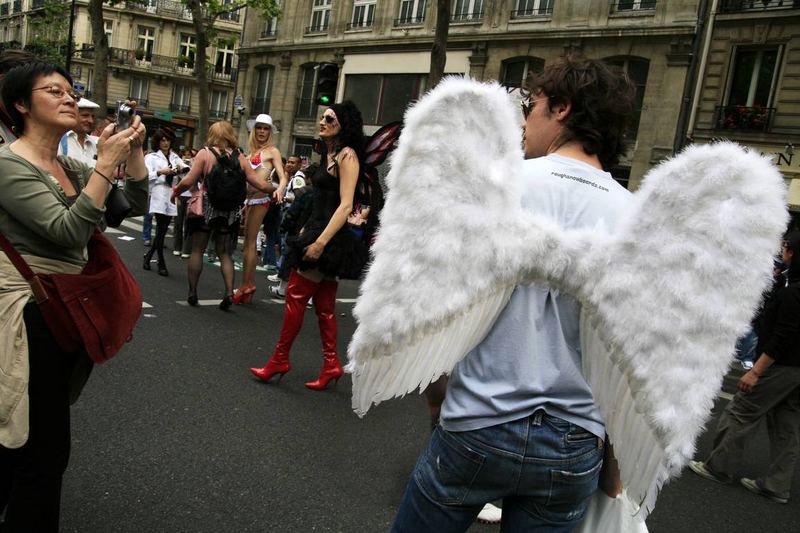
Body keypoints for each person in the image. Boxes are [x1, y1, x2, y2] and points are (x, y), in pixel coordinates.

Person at [391, 56, 636, 531]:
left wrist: (438, 391)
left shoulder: (497, 187)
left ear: (562, 109)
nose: (525, 120)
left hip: (480, 418)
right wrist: (616, 467)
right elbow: (636, 357)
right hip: (574, 439)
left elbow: (441, 300)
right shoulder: (634, 217)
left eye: (534, 105)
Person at [0, 60, 147, 532]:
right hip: (29, 315)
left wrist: (134, 156)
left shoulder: (65, 164)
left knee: (23, 441)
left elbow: (132, 207)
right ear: (22, 105)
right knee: (43, 452)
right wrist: (104, 166)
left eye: (70, 90)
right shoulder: (8, 165)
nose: (69, 98)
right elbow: (68, 232)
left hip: (64, 309)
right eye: (53, 91)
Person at [250, 101, 369, 390]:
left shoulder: (347, 156)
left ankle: (280, 360)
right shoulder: (331, 154)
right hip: (319, 230)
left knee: (296, 296)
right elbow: (321, 199)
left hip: (328, 237)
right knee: (325, 305)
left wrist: (319, 242)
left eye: (330, 118)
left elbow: (345, 206)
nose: (323, 120)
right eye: (324, 116)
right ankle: (331, 365)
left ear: (344, 125)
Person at [688, 232, 800, 505]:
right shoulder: (790, 287)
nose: (782, 251)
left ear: (793, 253)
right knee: (787, 426)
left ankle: (719, 467)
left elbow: (782, 336)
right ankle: (776, 484)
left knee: (741, 411)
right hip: (797, 370)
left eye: (786, 248)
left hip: (779, 366)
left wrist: (755, 371)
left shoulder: (792, 293)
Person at [172, 120, 274, 310]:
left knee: (197, 250)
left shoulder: (205, 153)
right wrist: (274, 191)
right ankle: (228, 292)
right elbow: (257, 182)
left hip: (205, 209)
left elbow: (189, 180)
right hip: (228, 212)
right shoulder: (240, 157)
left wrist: (176, 192)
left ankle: (193, 292)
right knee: (225, 253)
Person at [232, 114, 286, 304]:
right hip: (249, 201)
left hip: (262, 199)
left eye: (266, 128)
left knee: (250, 243)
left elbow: (283, 175)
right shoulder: (249, 153)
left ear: (270, 132)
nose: (262, 131)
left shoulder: (272, 151)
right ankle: (246, 284)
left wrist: (279, 189)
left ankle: (247, 285)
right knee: (248, 243)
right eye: (259, 128)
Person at [143, 129, 186, 277]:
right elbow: (146, 176)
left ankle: (148, 257)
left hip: (171, 194)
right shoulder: (151, 157)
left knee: (162, 231)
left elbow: (187, 171)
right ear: (158, 142)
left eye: (167, 140)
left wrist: (181, 169)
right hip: (159, 192)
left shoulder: (175, 157)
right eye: (162, 140)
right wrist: (161, 172)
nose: (165, 143)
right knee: (160, 230)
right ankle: (161, 262)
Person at [57, 97, 100, 168]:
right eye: (85, 115)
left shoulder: (94, 143)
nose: (91, 121)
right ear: (73, 115)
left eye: (92, 116)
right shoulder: (59, 140)